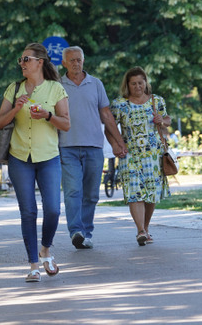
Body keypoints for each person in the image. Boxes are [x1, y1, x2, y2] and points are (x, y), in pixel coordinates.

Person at [0, 43, 70, 282]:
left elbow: (66, 123)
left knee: (53, 209)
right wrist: (16, 108)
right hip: (20, 158)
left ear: (40, 62)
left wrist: (47, 116)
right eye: (21, 59)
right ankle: (33, 265)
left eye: (26, 59)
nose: (22, 63)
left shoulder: (56, 89)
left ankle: (45, 248)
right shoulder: (13, 88)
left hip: (48, 157)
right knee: (28, 212)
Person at [58, 46, 125, 250]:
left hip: (94, 146)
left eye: (79, 60)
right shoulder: (57, 85)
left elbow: (106, 114)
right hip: (67, 146)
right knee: (73, 190)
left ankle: (86, 233)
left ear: (83, 61)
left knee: (91, 194)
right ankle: (76, 231)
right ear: (64, 63)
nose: (76, 63)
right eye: (72, 60)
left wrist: (119, 141)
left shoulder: (95, 83)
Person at [110, 67, 172, 246]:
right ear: (127, 85)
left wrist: (162, 120)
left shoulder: (156, 100)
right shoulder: (119, 104)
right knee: (134, 190)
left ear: (146, 83)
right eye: (133, 83)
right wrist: (115, 144)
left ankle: (146, 227)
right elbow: (110, 128)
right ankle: (140, 231)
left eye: (140, 82)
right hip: (129, 153)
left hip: (153, 154)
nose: (138, 86)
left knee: (151, 193)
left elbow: (167, 120)